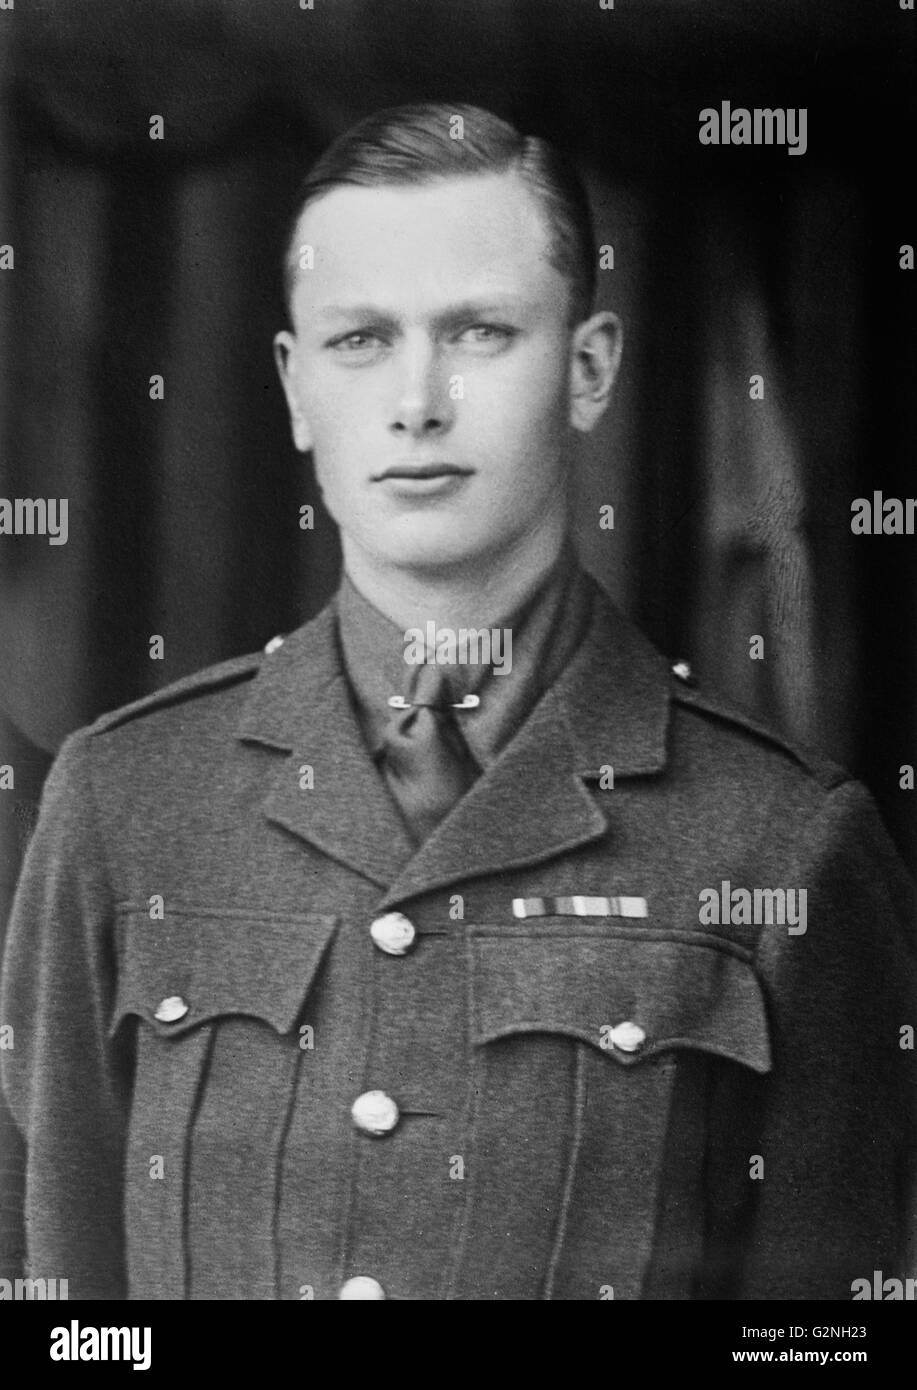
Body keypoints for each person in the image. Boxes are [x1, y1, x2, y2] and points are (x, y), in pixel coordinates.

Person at [2, 102, 914, 1301]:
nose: (417, 402)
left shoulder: (783, 844)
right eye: (360, 341)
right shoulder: (125, 804)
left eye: (478, 332)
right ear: (292, 387)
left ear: (587, 370)